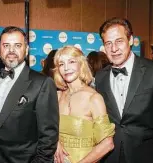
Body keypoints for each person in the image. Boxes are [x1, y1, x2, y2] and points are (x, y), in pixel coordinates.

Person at [0, 26, 59, 163]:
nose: (11, 51)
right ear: (0, 50)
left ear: (26, 50)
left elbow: (49, 137)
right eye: (6, 45)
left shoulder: (42, 83)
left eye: (17, 45)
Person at [95, 17, 153, 163]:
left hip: (145, 154)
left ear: (131, 40)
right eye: (108, 43)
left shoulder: (151, 70)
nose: (114, 49)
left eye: (119, 41)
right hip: (110, 156)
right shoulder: (100, 77)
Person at [53, 46, 115, 163]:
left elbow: (108, 143)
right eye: (61, 64)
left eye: (71, 62)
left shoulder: (94, 98)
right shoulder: (57, 96)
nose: (66, 68)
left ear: (81, 65)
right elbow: (48, 129)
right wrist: (55, 142)